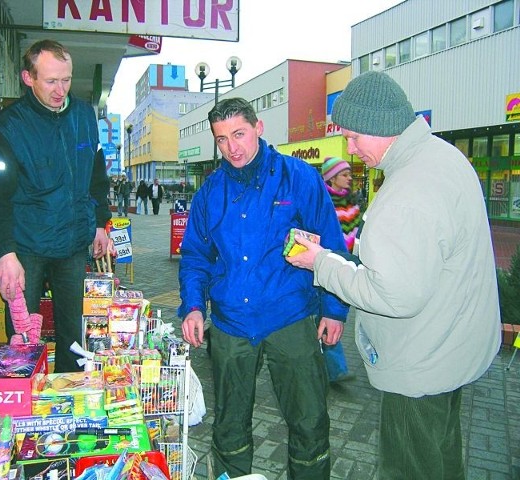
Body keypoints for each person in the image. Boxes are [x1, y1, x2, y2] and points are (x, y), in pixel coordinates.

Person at [286, 71, 501, 479]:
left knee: (409, 468)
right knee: (441, 458)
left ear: (380, 127)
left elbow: (392, 295)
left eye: (353, 137)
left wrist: (320, 262)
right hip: (450, 349)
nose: (349, 150)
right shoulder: (443, 157)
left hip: (420, 364)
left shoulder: (406, 194)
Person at [178, 97, 349, 479]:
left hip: (291, 317)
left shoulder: (299, 178)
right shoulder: (210, 193)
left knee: (308, 419)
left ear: (259, 128)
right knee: (229, 423)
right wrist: (192, 305)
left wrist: (334, 309)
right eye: (221, 139)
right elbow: (194, 256)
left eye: (238, 134)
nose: (231, 147)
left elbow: (333, 247)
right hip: (231, 325)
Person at [0, 39, 111, 373]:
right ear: (28, 77)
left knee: (76, 335)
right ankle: (24, 404)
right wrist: (4, 254)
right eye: (51, 81)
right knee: (23, 337)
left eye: (66, 80)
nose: (60, 89)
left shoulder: (83, 116)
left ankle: (73, 398)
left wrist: (99, 222)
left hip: (73, 246)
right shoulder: (7, 127)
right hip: (26, 249)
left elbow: (96, 174)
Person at [319, 156, 362, 383]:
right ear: (331, 178)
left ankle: (333, 367)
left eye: (349, 174)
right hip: (324, 267)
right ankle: (335, 368)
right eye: (344, 174)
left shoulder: (354, 202)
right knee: (326, 313)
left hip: (348, 267)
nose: (349, 179)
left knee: (330, 314)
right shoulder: (321, 201)